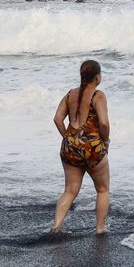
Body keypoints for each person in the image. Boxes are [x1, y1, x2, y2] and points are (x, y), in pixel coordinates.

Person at [52, 60, 111, 235]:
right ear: (98, 77)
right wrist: (106, 141)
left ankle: (56, 227)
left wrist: (68, 138)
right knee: (102, 189)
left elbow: (57, 118)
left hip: (70, 145)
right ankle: (100, 229)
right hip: (92, 147)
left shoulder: (70, 94)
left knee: (70, 191)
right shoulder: (98, 95)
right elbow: (103, 122)